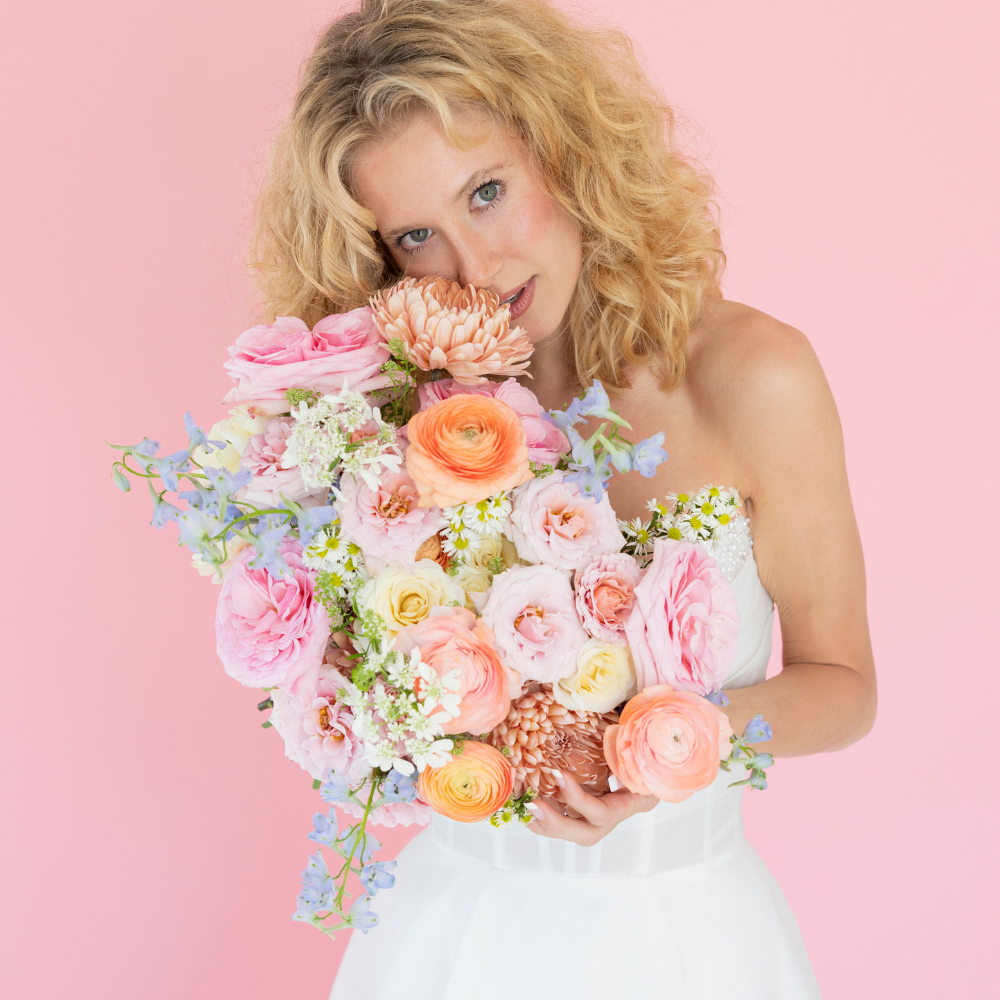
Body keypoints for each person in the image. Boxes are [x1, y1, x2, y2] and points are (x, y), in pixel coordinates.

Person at [251, 1, 876, 996]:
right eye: (417, 234)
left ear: (566, 150)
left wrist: (670, 744)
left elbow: (843, 687)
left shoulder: (755, 379)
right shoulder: (385, 418)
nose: (476, 267)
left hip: (682, 938)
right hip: (454, 934)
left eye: (487, 191)